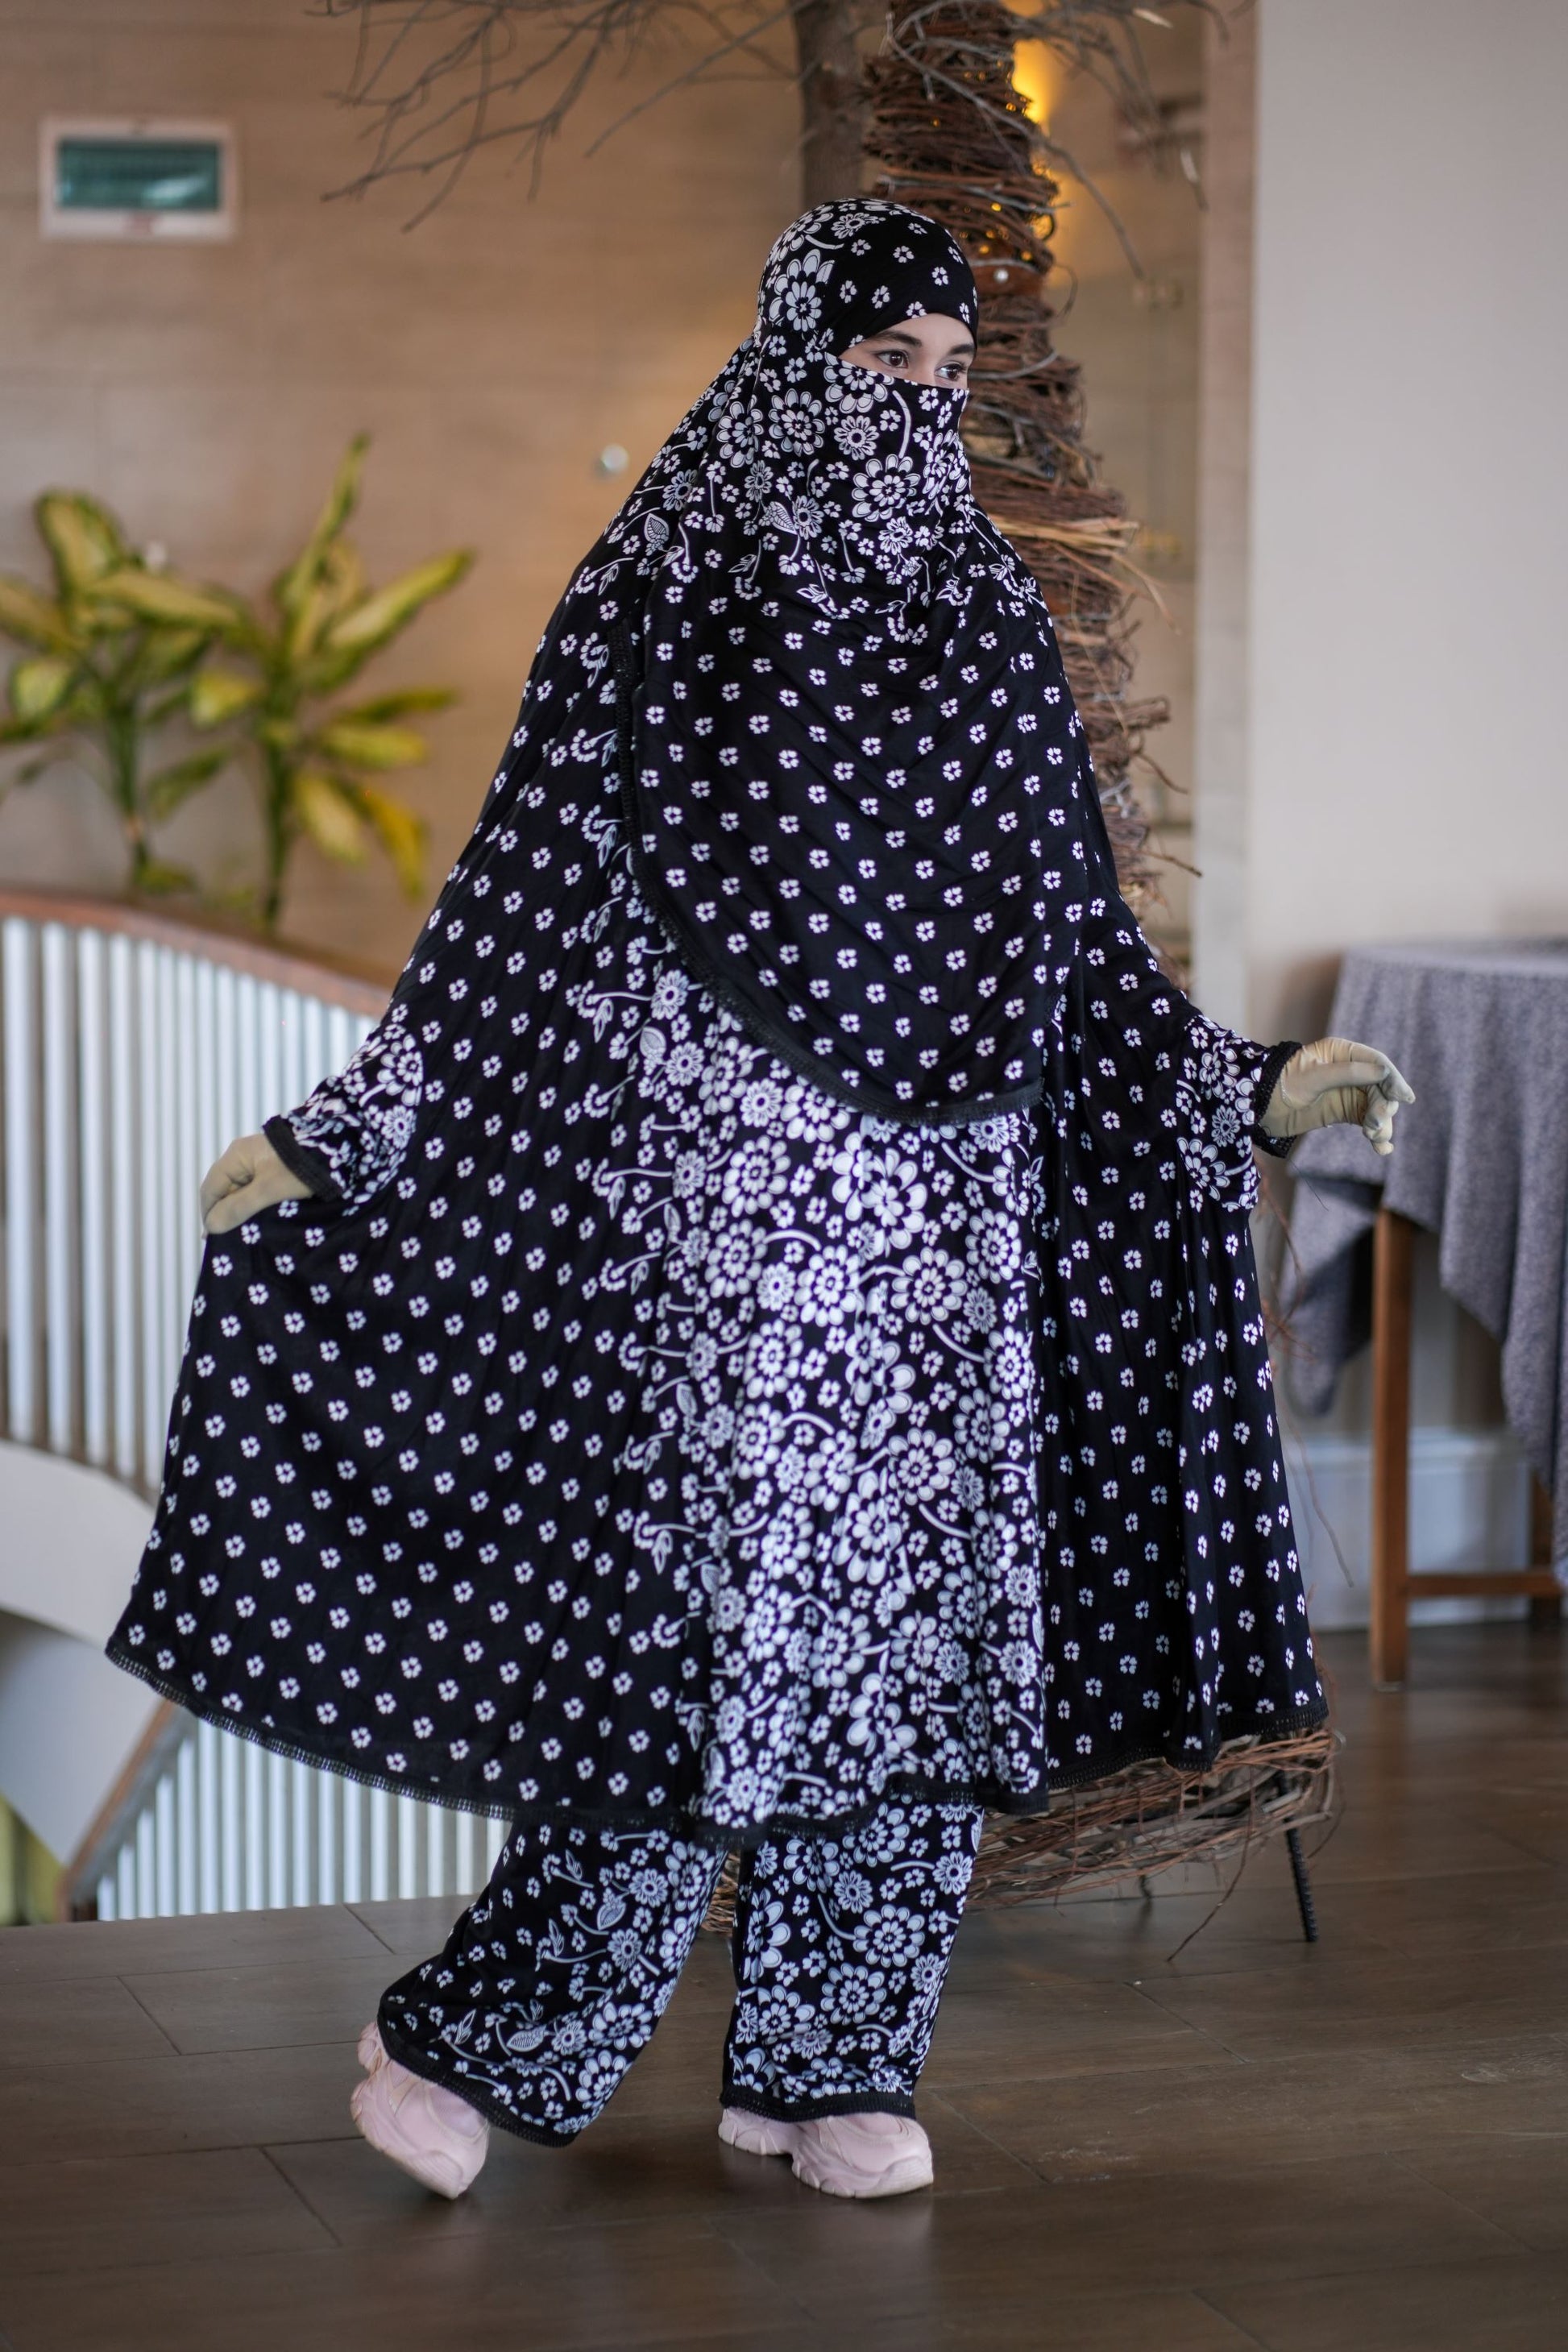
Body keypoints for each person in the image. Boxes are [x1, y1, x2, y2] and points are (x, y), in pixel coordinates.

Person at [106, 200, 1411, 2204]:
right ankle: (481, 2036)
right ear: (796, 357)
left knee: (919, 1638)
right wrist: (349, 1129)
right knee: (700, 1639)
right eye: (883, 363)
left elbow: (1072, 938)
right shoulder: (660, 590)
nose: (916, 405)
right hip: (713, 1220)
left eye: (944, 375)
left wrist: (1247, 1081)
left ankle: (830, 2064)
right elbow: (515, 902)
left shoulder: (980, 615)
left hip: (945, 1226)